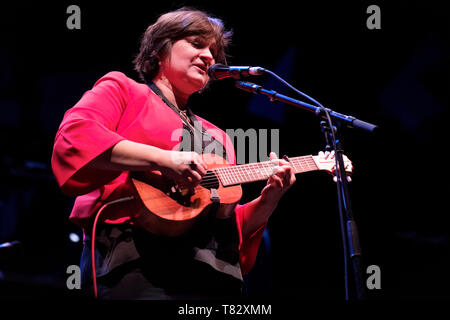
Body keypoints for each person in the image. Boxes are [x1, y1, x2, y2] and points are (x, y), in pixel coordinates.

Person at [51, 7, 330, 300]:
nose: (209, 56)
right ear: (160, 50)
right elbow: (76, 137)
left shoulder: (218, 137)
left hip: (213, 275)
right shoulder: (124, 90)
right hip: (141, 263)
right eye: (197, 44)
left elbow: (222, 220)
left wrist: (268, 200)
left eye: (213, 50)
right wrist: (165, 159)